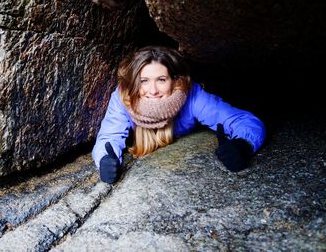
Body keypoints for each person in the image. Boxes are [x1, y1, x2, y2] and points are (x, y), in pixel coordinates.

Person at [92, 46, 266, 184]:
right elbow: (109, 136)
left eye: (161, 80)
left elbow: (243, 120)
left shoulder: (191, 96)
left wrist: (242, 144)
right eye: (144, 81)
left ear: (174, 81)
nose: (152, 91)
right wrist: (105, 160)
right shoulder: (124, 97)